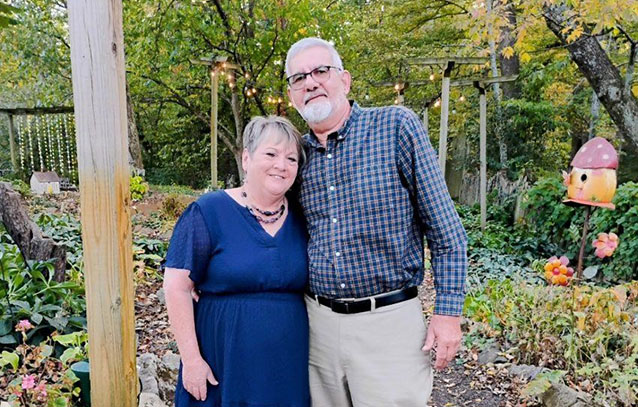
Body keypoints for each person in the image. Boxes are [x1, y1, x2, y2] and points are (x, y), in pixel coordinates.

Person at [285, 37, 468, 406]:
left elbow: (447, 234)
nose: (311, 82)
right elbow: (268, 224)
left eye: (322, 70)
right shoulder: (294, 156)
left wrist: (448, 313)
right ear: (292, 95)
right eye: (299, 78)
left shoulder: (395, 127)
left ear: (345, 80)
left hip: (389, 323)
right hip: (317, 327)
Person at [163, 116, 310, 407]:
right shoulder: (208, 212)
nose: (281, 165)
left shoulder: (304, 217)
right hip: (223, 361)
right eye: (271, 154)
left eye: (291, 158)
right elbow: (176, 286)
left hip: (286, 367)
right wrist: (192, 360)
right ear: (246, 158)